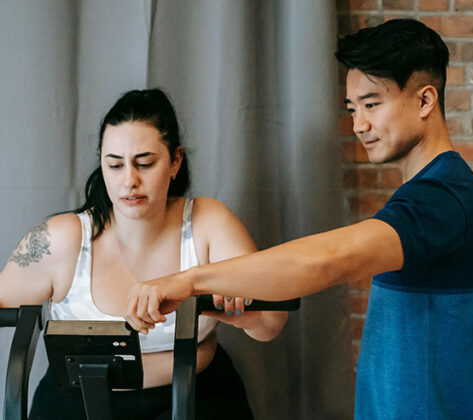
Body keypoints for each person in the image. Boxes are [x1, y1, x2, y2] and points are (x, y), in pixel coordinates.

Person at [126, 19, 473, 419]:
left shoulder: (444, 198)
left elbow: (329, 259)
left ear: (425, 101)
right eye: (353, 108)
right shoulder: (432, 192)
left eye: (372, 104)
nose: (359, 124)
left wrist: (187, 280)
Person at [0, 89, 287, 420]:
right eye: (115, 165)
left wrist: (242, 312)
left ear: (175, 161)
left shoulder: (208, 221)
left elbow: (271, 324)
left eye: (145, 163)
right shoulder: (61, 238)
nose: (129, 181)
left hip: (193, 399)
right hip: (76, 405)